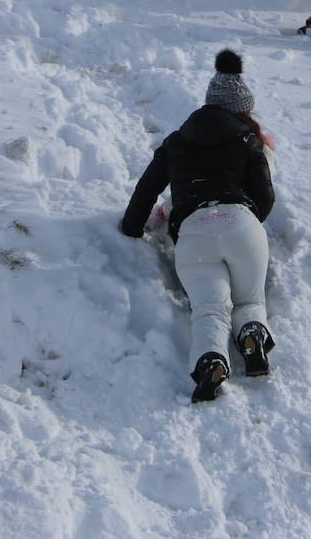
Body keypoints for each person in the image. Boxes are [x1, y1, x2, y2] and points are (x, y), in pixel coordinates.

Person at [120, 49, 277, 403]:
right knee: (249, 299)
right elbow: (265, 198)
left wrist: (132, 228)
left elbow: (146, 190)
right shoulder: (247, 140)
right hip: (241, 225)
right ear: (242, 110)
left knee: (209, 309)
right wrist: (248, 222)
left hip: (194, 232)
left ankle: (211, 361)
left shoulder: (175, 141)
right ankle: (252, 334)